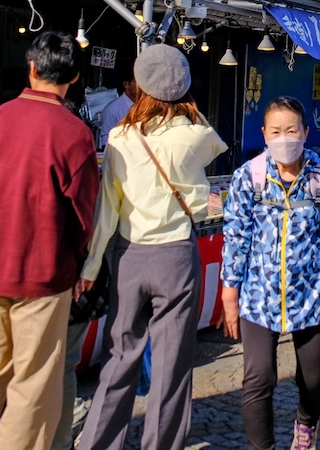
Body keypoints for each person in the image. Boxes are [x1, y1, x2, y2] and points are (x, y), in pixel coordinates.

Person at [0, 32, 100, 450]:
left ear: (31, 68)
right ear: (76, 77)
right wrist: (83, 264)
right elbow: (84, 215)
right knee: (34, 379)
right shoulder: (75, 133)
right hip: (45, 272)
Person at [77, 43, 228, 450]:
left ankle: (98, 443)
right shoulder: (197, 132)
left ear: (139, 84)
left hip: (128, 254)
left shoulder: (120, 136)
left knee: (119, 358)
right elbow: (200, 193)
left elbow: (107, 211)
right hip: (177, 254)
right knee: (171, 366)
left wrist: (91, 268)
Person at [221, 97, 320, 450]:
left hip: (312, 299)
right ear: (263, 133)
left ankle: (306, 425)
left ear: (306, 132)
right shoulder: (249, 177)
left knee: (313, 379)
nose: (284, 137)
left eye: (291, 130)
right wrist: (229, 293)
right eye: (275, 131)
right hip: (258, 297)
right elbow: (236, 235)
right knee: (258, 377)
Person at [98, 68, 139, 149]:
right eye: (136, 82)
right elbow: (106, 143)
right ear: (126, 84)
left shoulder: (146, 106)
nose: (141, 86)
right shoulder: (112, 110)